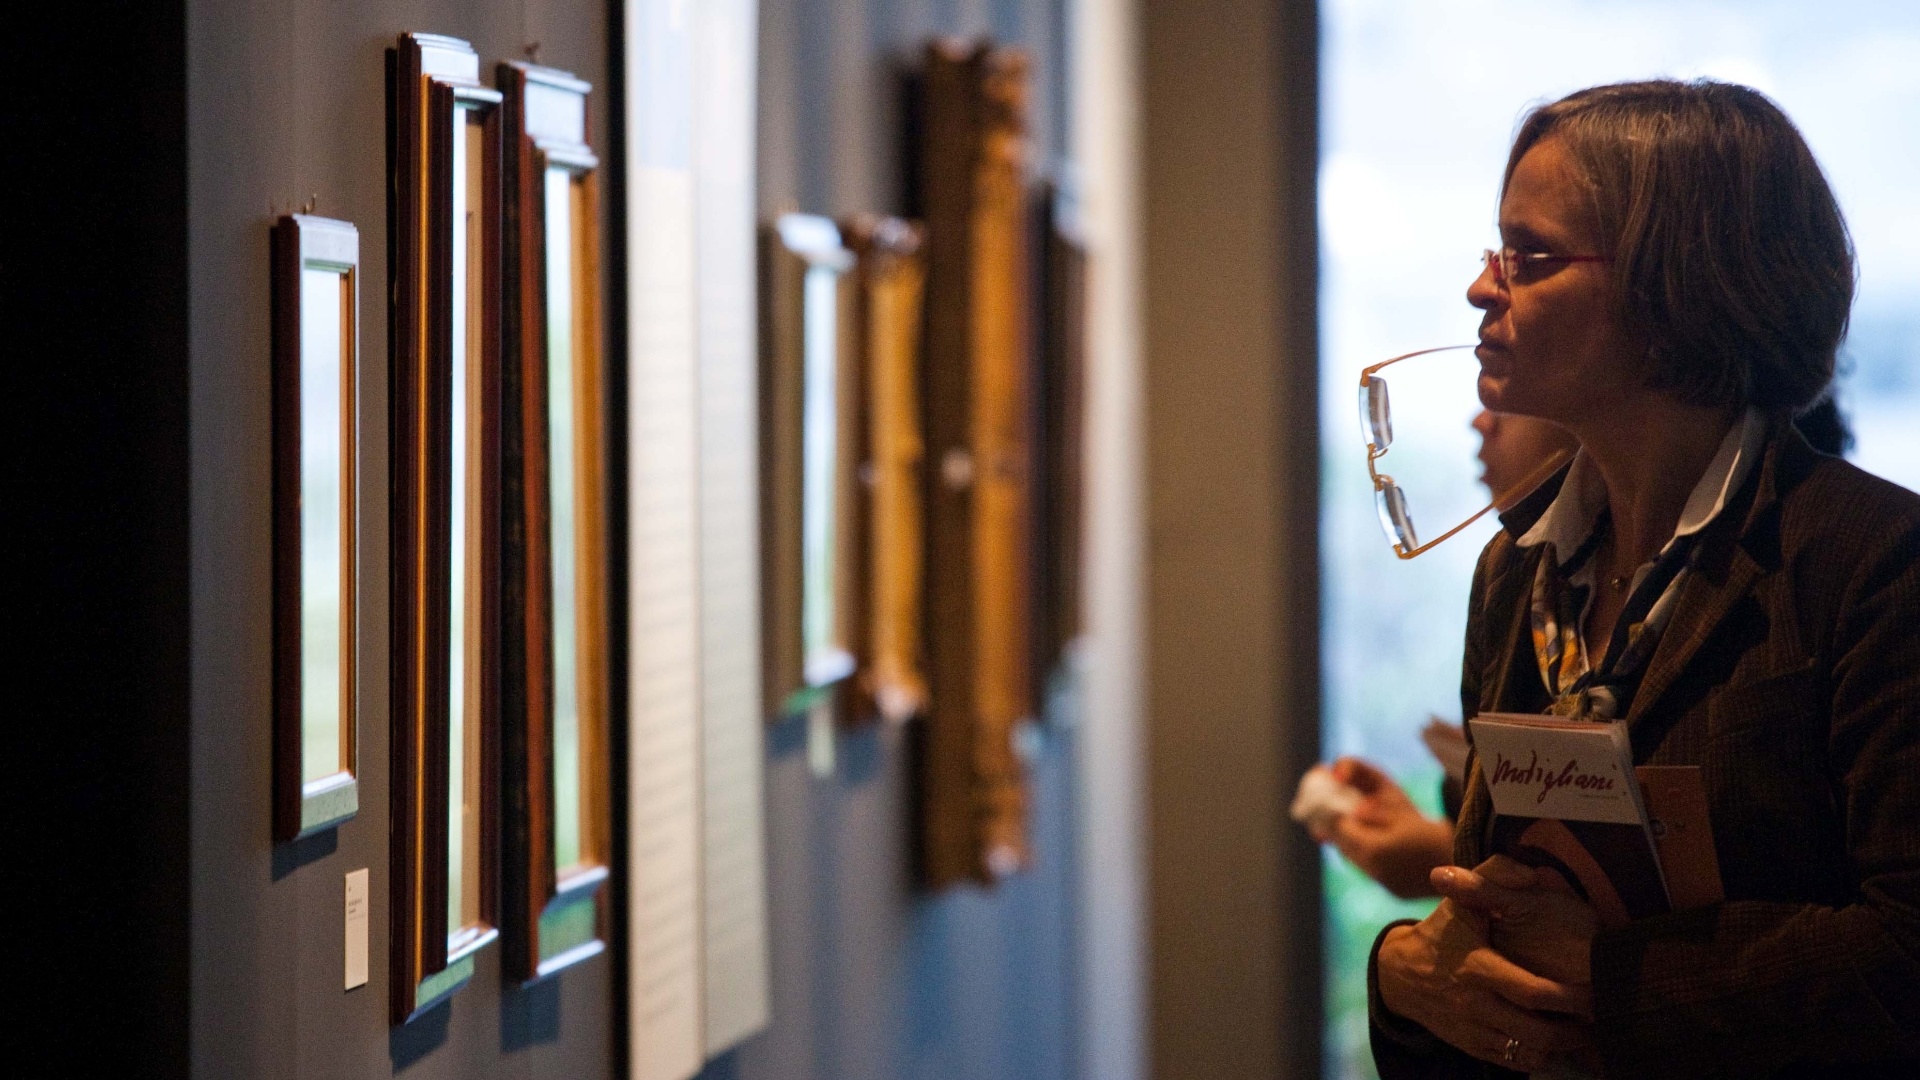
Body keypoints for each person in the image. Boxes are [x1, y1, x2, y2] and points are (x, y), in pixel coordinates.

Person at [1366, 79, 1920, 1079]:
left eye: (1528, 257)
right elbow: (1487, 920)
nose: (1482, 289)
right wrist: (1401, 974)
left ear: (1679, 290)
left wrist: (1616, 977)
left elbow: (1909, 954)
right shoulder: (1515, 568)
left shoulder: (1875, 560)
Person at [1317, 401, 1853, 902]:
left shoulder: (1841, 558)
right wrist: (1440, 850)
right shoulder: (1511, 571)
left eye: (1512, 396)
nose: (1480, 421)